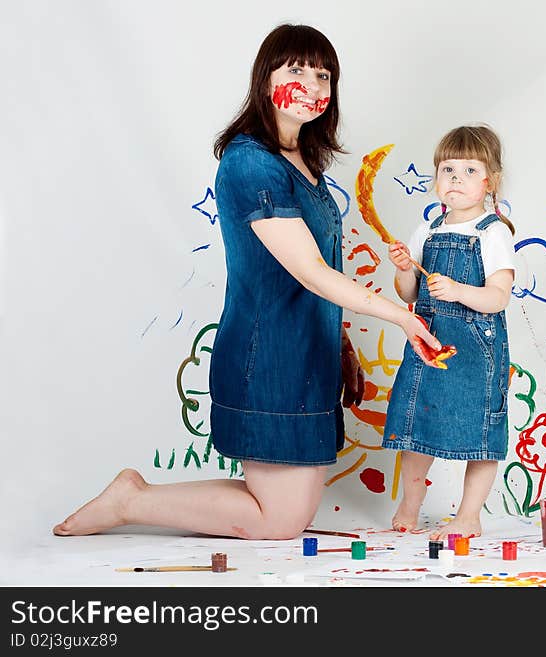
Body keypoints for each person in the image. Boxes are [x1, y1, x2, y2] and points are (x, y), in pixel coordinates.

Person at [52, 23, 440, 540]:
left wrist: (340, 342)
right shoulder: (249, 163)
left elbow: (318, 267)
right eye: (296, 69)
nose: (312, 85)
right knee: (279, 520)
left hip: (308, 350)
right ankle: (131, 500)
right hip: (270, 352)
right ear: (265, 78)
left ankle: (134, 498)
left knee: (287, 514)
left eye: (324, 75)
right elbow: (311, 271)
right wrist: (401, 316)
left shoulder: (303, 163)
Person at [382, 124, 516, 541]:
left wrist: (458, 290)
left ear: (489, 181)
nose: (456, 179)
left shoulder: (491, 232)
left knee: (480, 431)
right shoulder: (429, 229)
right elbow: (407, 293)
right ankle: (411, 501)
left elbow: (498, 298)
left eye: (470, 170)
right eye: (448, 169)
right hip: (428, 343)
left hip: (475, 349)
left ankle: (469, 514)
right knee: (417, 423)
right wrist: (405, 268)